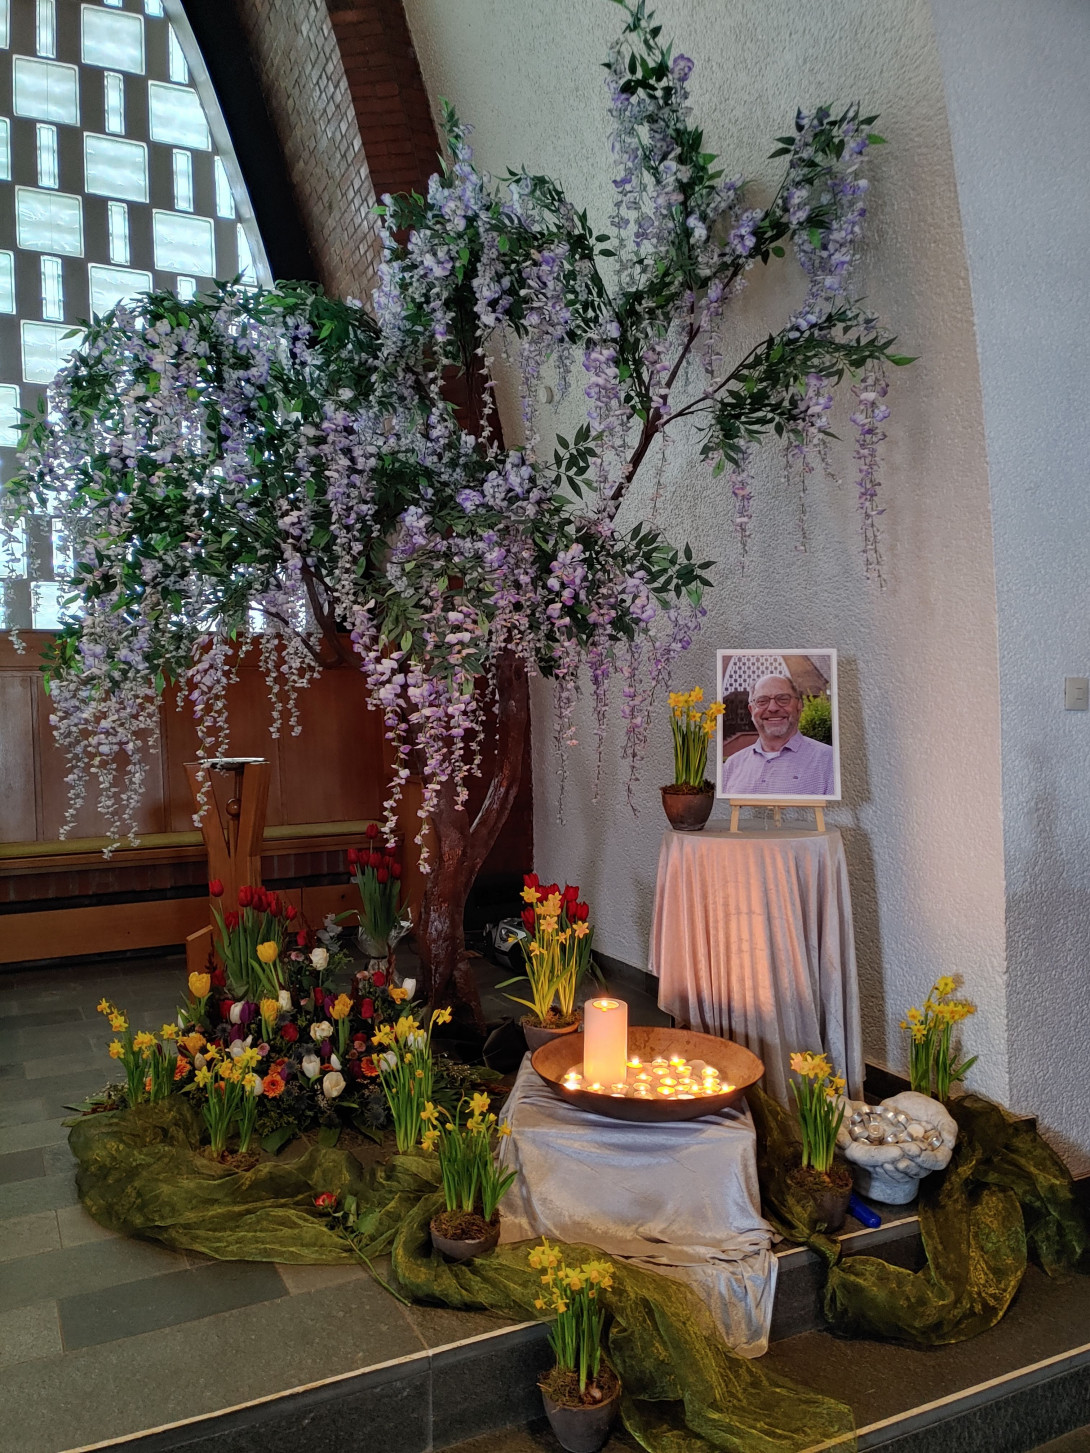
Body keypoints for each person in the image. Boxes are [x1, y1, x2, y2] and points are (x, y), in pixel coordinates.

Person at [720, 674, 835, 797]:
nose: (773, 708)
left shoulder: (829, 762)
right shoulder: (731, 766)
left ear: (799, 706)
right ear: (751, 710)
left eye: (783, 699)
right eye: (762, 701)